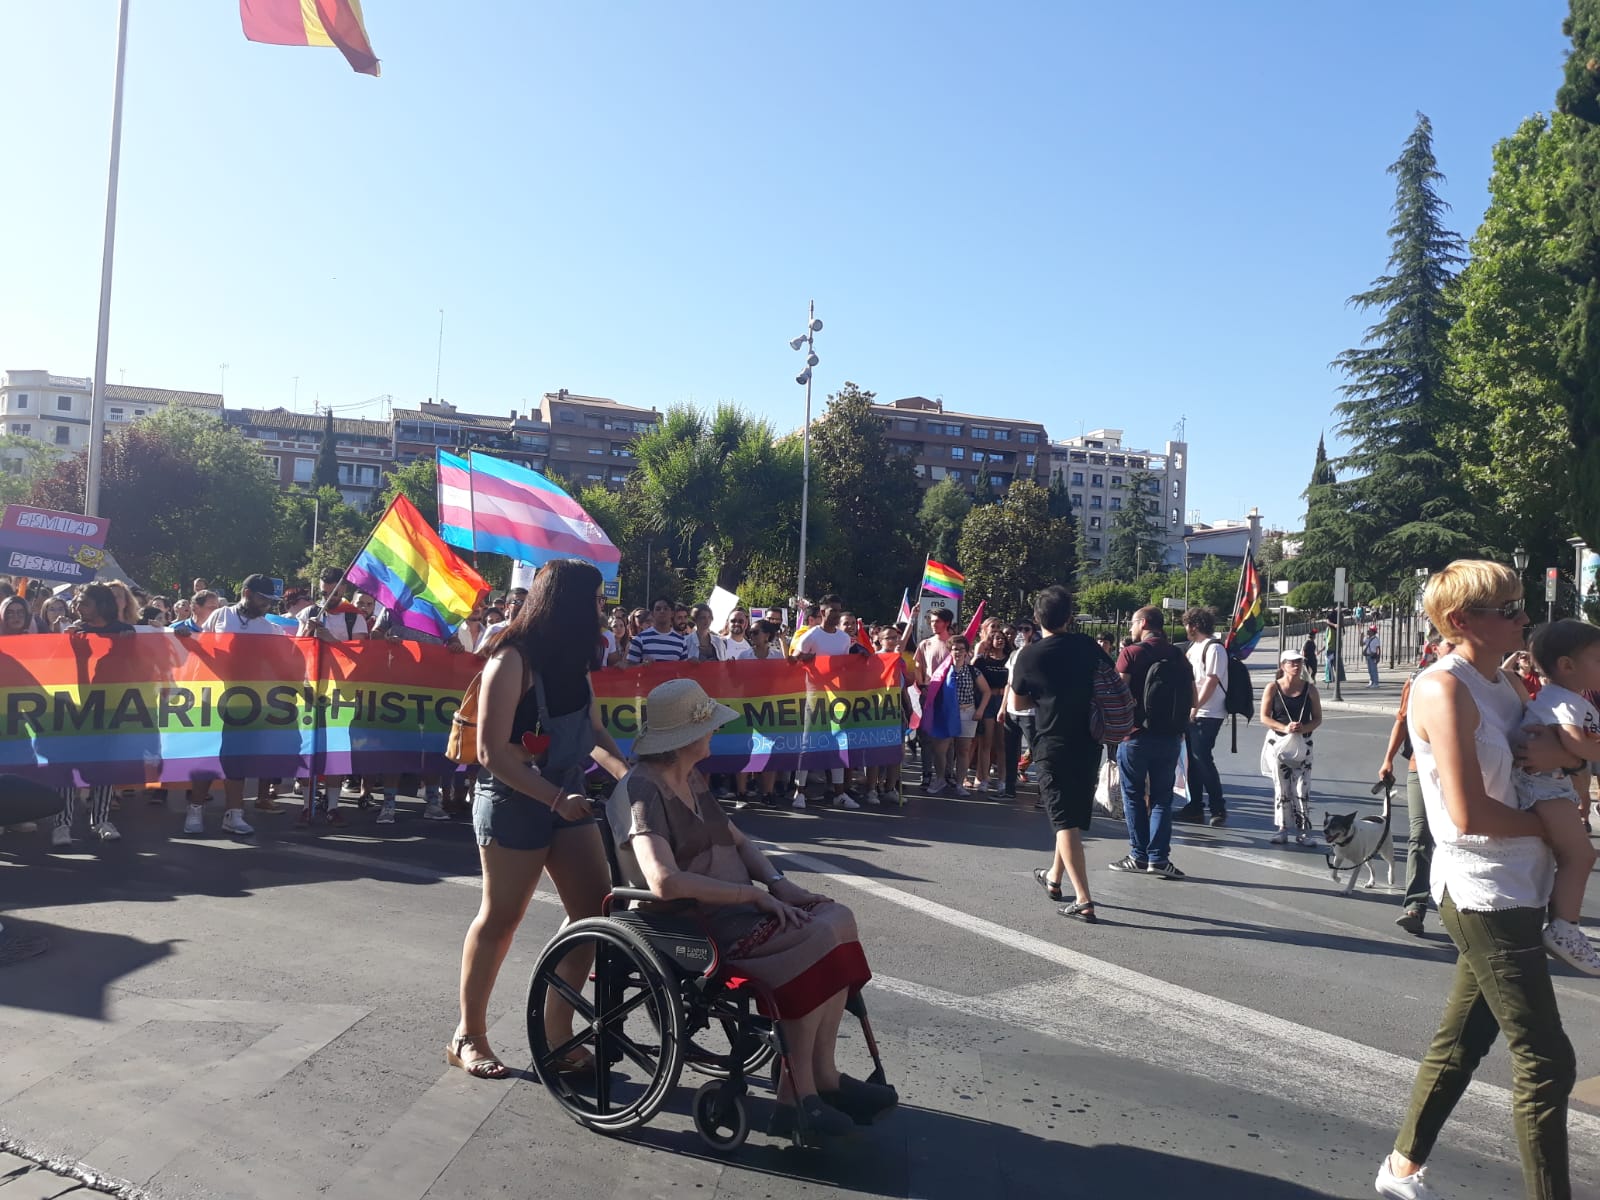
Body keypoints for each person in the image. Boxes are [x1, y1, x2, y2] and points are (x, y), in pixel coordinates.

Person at [607, 677, 893, 1139]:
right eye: (709, 726)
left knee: (838, 918)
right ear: (685, 737)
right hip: (698, 924)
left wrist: (780, 885)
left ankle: (821, 1075)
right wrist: (753, 895)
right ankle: (796, 1094)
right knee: (816, 940)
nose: (714, 733)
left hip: (740, 910)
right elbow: (663, 881)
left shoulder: (690, 777)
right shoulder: (643, 791)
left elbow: (737, 839)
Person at [1377, 560, 1578, 1200]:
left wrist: (1563, 756)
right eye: (1511, 609)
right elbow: (1466, 813)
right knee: (1547, 1062)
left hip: (1520, 882)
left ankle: (1401, 1168)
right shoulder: (1444, 688)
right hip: (1484, 890)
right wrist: (1558, 834)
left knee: (1463, 1039)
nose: (1525, 618)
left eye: (1521, 605)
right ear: (1462, 621)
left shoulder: (1505, 684)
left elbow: (1542, 758)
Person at [449, 559, 629, 1082]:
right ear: (569, 605)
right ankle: (468, 1035)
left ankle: (557, 1034)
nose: (602, 610)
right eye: (595, 601)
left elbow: (594, 731)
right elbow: (491, 752)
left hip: (566, 797)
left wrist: (631, 777)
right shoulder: (511, 660)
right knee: (501, 918)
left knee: (595, 916)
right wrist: (554, 799)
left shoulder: (577, 662)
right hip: (513, 800)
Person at [1011, 585, 1131, 924]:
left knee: (1063, 822)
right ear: (1070, 616)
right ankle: (1054, 877)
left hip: (1052, 742)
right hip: (1090, 740)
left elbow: (1019, 704)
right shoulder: (1088, 646)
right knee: (1073, 819)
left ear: (1037, 618)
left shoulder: (1030, 655)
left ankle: (1084, 899)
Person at [1513, 619, 1600, 973]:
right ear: (1567, 666)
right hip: (1545, 788)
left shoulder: (1565, 698)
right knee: (1581, 854)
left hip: (1551, 784)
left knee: (1572, 854)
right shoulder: (1564, 701)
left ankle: (1562, 921)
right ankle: (1565, 928)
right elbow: (1573, 741)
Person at [194, 574, 291, 837]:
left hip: (247, 701)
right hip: (215, 696)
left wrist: (313, 632)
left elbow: (290, 653)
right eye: (262, 599)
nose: (267, 605)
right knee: (208, 754)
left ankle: (233, 814)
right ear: (247, 593)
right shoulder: (222, 616)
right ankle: (195, 808)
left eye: (271, 601)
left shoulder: (269, 628)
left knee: (236, 756)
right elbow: (202, 647)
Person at [1380, 636, 1456, 937]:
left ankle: (1452, 907)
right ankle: (1414, 906)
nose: (1451, 649)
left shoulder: (1472, 681)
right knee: (1420, 834)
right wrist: (1387, 759)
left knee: (1453, 838)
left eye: (1456, 643)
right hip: (1420, 767)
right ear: (1435, 647)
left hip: (1458, 769)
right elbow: (1401, 720)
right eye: (1447, 644)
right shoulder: (1419, 680)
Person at [1112, 606, 1194, 879]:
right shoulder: (1178, 656)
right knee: (1162, 798)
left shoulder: (1131, 654)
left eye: (1132, 622)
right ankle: (1159, 859)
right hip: (1170, 736)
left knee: (1133, 796)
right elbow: (1193, 699)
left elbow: (1116, 694)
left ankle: (1138, 855)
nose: (1130, 627)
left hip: (1135, 735)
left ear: (1144, 623)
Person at [792, 595, 862, 809]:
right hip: (813, 695)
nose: (837, 614)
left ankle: (840, 793)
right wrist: (808, 659)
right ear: (822, 612)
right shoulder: (811, 635)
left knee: (838, 741)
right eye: (833, 611)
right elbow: (794, 658)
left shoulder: (842, 639)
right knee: (808, 744)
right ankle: (799, 792)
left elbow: (842, 665)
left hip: (836, 697)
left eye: (839, 610)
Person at [1259, 649, 1322, 845]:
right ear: (1282, 665)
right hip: (1279, 744)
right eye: (1292, 662)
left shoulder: (1310, 689)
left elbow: (1318, 719)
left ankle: (1303, 831)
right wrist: (1285, 728)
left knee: (1302, 789)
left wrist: (1303, 728)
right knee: (1282, 787)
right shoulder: (1272, 688)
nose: (1296, 666)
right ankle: (1282, 829)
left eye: (1299, 662)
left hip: (1303, 745)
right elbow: (1264, 717)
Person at [1176, 606, 1229, 827]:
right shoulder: (1193, 648)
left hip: (1208, 713)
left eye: (1187, 625)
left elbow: (1212, 680)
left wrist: (1195, 707)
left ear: (1194, 625)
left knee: (1202, 759)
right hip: (1194, 711)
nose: (1185, 629)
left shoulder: (1214, 648)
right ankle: (1194, 806)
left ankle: (1218, 807)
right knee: (1191, 762)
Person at [943, 635, 991, 797]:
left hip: (967, 712)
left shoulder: (973, 671)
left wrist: (980, 710)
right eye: (955, 649)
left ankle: (960, 782)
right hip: (949, 714)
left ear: (967, 652)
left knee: (963, 749)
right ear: (950, 651)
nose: (958, 652)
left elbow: (986, 691)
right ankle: (941, 779)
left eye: (961, 649)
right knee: (944, 749)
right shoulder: (943, 671)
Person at [971, 622, 1011, 794]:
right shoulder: (983, 660)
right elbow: (971, 671)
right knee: (985, 742)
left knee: (1002, 743)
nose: (999, 640)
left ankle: (1003, 780)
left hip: (1003, 701)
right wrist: (978, 651)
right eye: (995, 637)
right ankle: (983, 778)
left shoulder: (1010, 658)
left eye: (1002, 638)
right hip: (987, 700)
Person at [1001, 618, 1039, 798]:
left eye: (1027, 629)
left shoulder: (1037, 653)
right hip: (1011, 711)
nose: (1022, 632)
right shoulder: (1014, 655)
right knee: (1010, 751)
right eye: (1020, 629)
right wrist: (1003, 707)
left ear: (1032, 632)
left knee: (1037, 752)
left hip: (1030, 712)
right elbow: (1009, 682)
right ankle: (1009, 789)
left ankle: (1043, 793)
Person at [627, 597, 691, 665]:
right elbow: (629, 667)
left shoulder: (681, 641)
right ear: (652, 613)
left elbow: (683, 669)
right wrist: (642, 665)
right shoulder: (640, 639)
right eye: (658, 609)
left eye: (666, 609)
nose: (662, 611)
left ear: (672, 613)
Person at [1364, 624, 1383, 688]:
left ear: (1373, 632)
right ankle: (1371, 681)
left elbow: (1378, 649)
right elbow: (1361, 643)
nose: (1368, 631)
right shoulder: (1367, 638)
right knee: (1370, 670)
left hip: (1373, 656)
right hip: (1368, 656)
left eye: (1370, 630)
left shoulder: (1376, 639)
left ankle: (1376, 683)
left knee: (1373, 670)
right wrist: (1361, 636)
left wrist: (1378, 657)